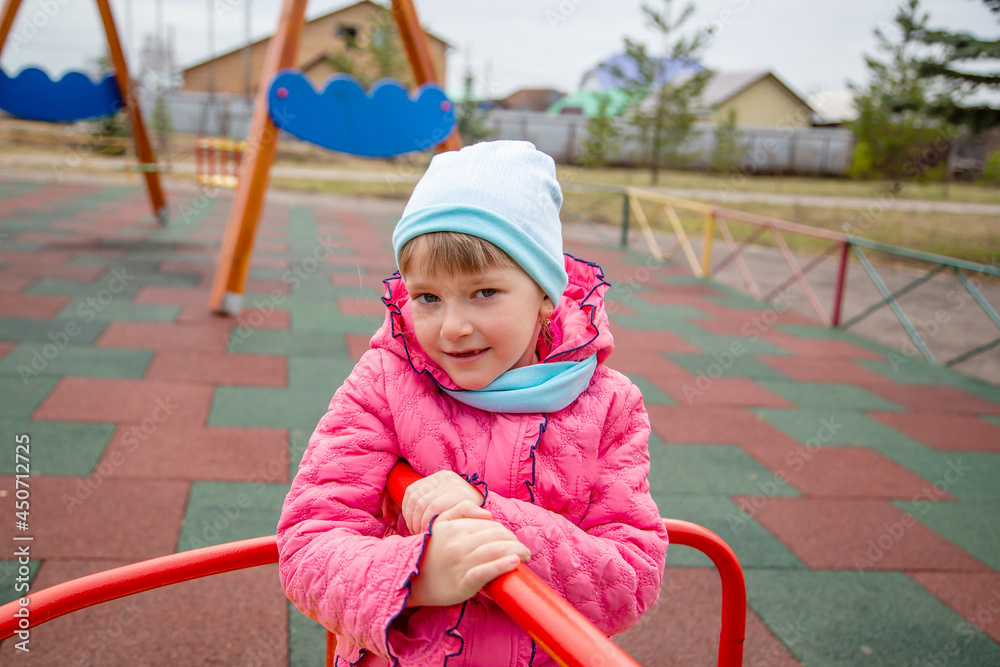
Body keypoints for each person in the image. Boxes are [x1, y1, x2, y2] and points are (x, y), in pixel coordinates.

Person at [277, 140, 668, 666]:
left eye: (484, 293)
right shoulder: (386, 383)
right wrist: (416, 573)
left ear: (545, 294)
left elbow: (630, 580)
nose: (453, 327)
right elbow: (308, 543)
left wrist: (492, 521)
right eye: (428, 298)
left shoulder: (609, 407)